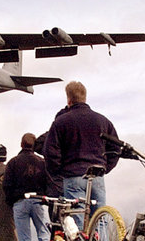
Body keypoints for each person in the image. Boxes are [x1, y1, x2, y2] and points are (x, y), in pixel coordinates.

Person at [44, 81, 120, 230]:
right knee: (99, 220)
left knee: (77, 220)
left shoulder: (61, 122)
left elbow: (50, 152)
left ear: (68, 100)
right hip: (97, 176)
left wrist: (59, 172)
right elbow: (116, 148)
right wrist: (105, 167)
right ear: (85, 97)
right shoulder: (103, 121)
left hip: (73, 176)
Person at [3, 133, 50, 241]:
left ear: (21, 144)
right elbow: (48, 182)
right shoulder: (42, 162)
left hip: (20, 202)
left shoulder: (13, 162)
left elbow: (6, 185)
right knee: (44, 233)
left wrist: (11, 201)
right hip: (38, 201)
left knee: (24, 237)